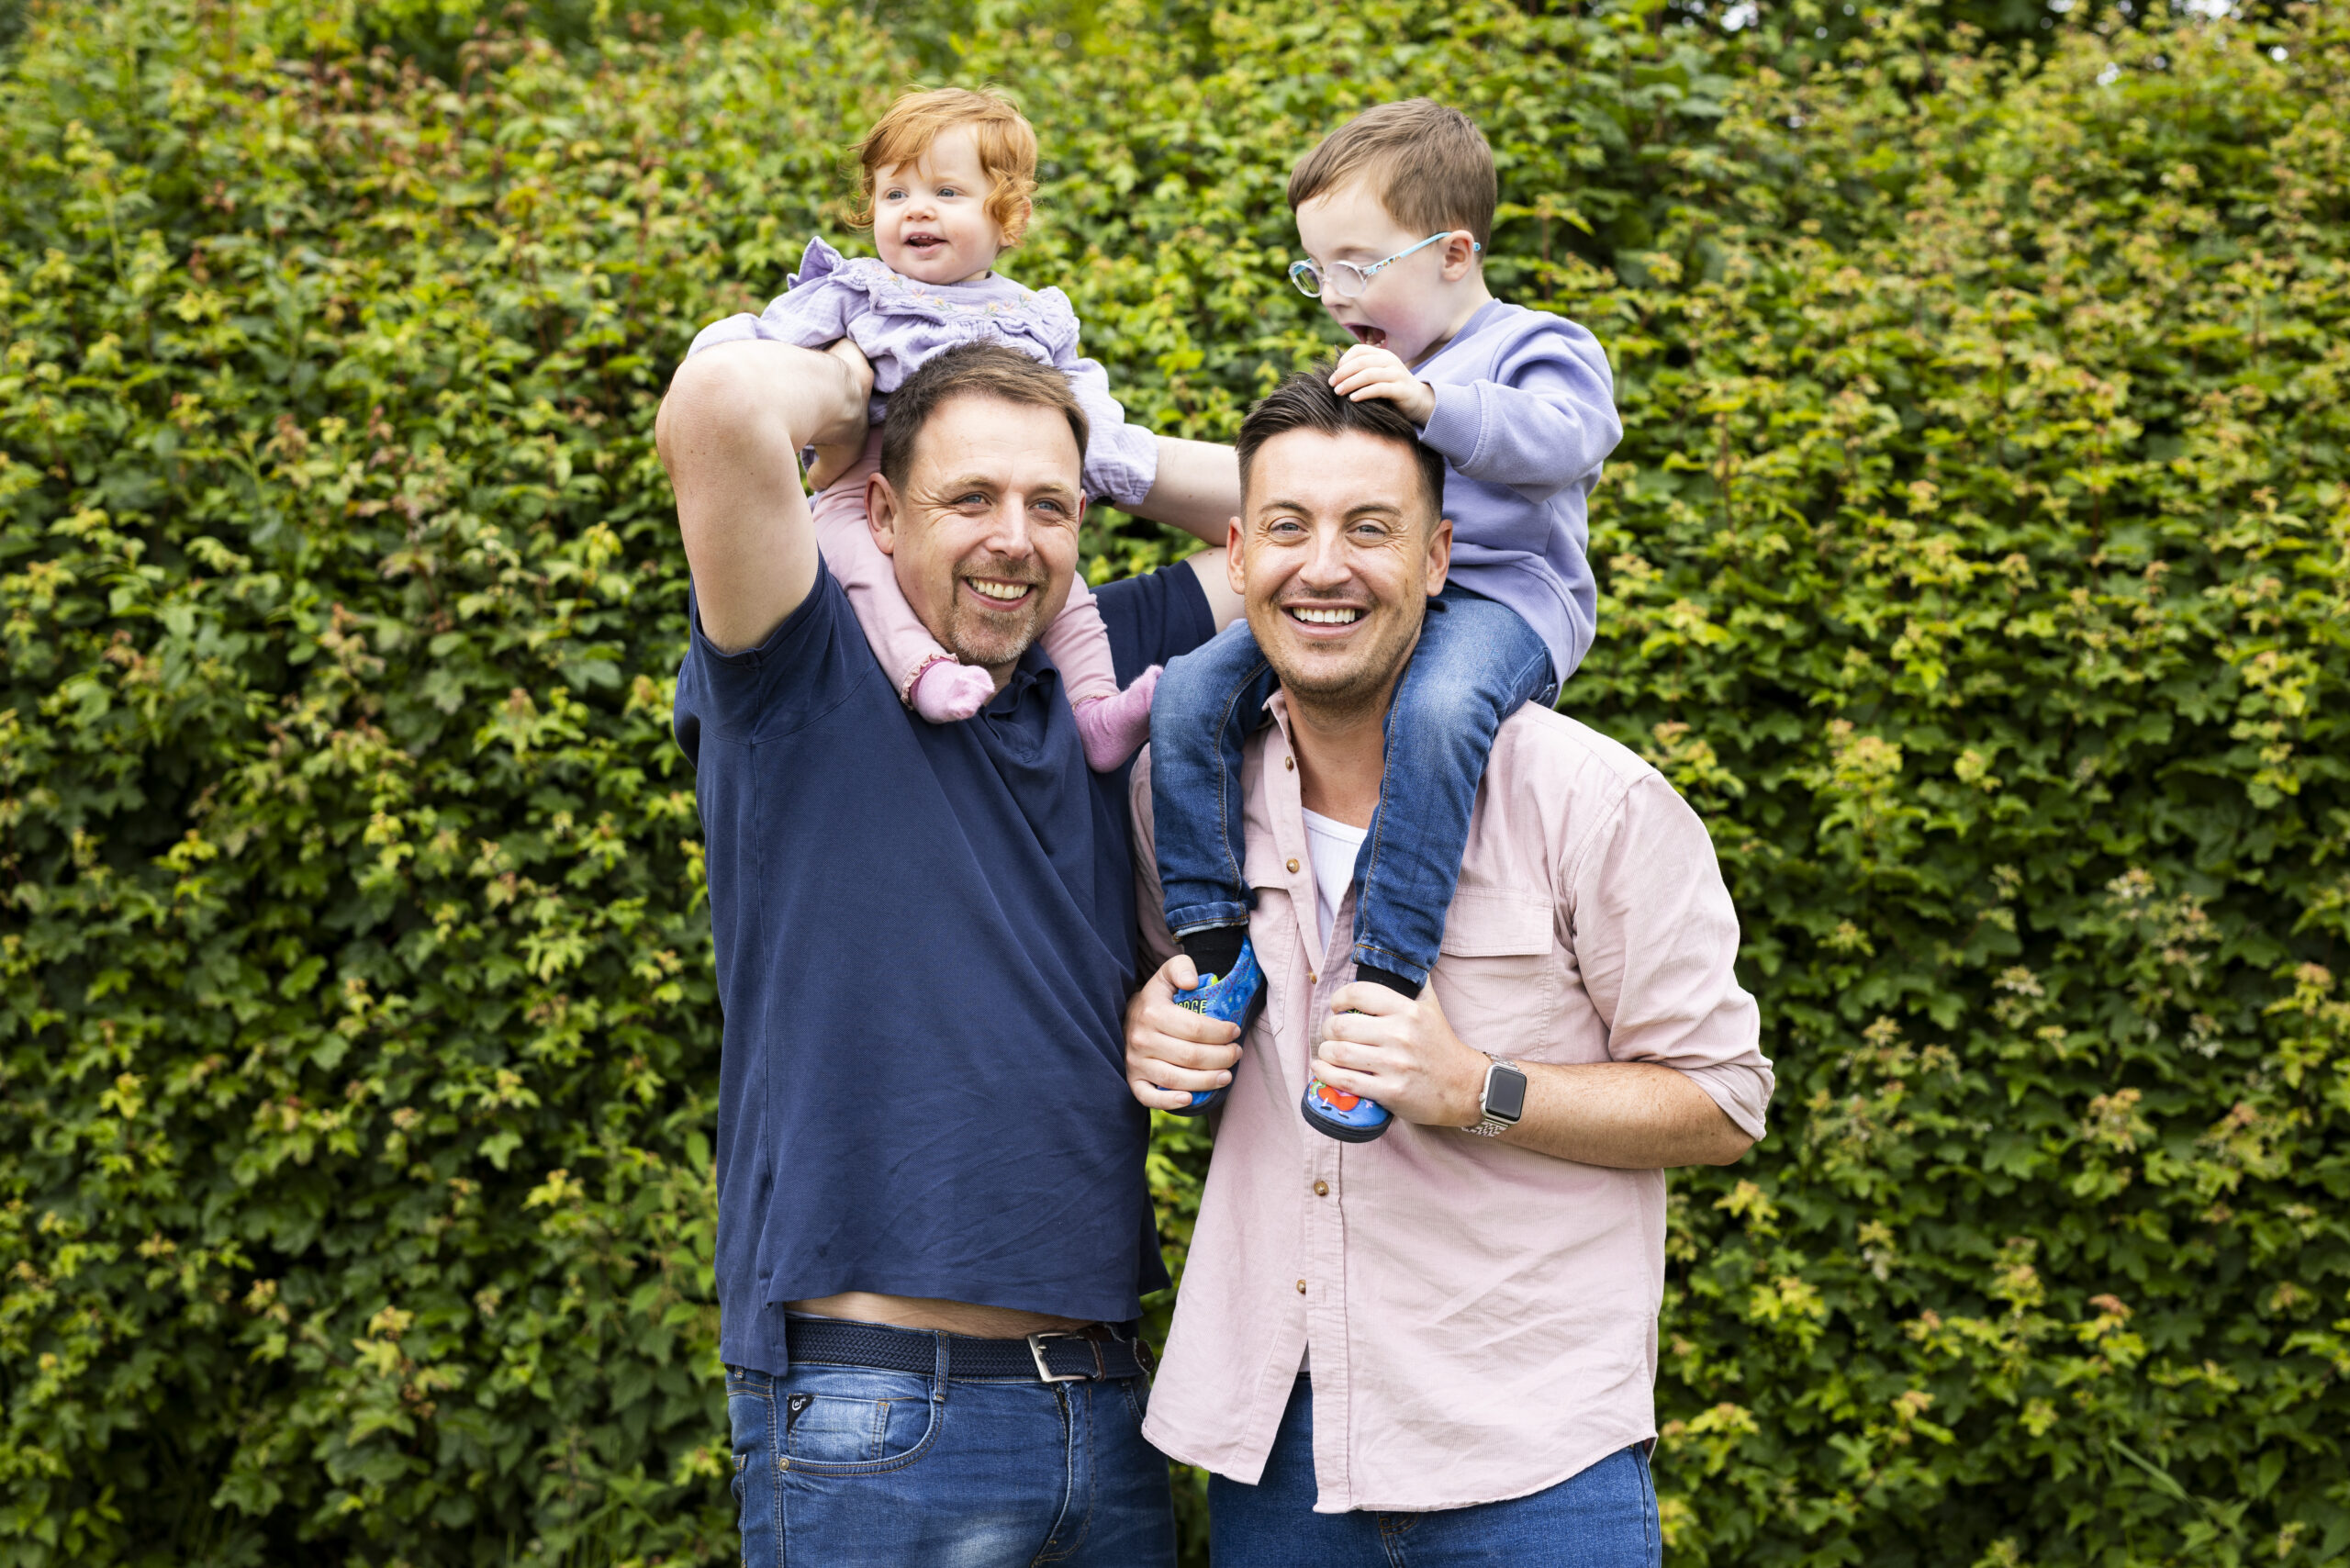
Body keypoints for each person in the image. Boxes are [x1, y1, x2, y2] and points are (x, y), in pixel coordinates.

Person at [1122, 370, 1774, 1566]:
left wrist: (1479, 1087)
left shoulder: (1591, 801)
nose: (1325, 567)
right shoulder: (1186, 805)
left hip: (1533, 1470)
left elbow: (1723, 1101)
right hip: (1276, 1458)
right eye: (1288, 527)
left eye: (1370, 529)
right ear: (1235, 551)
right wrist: (1151, 1027)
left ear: (1437, 558)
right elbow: (1172, 1000)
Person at [655, 335, 1240, 1566]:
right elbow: (714, 405)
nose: (1014, 539)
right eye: (968, 496)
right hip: (881, 1417)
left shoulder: (1095, 682)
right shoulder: (804, 671)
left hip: (1106, 1405)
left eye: (1050, 505)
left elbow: (1319, 512)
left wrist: (1119, 454)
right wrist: (871, 379)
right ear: (877, 508)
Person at [1146, 98, 1624, 1142]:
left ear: (1455, 252)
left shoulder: (1534, 347)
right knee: (1187, 691)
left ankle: (1386, 982)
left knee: (1439, 712)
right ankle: (1221, 957)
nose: (1334, 296)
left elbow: (1571, 440)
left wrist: (1430, 406)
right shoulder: (1373, 373)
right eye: (1316, 271)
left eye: (1357, 266)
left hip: (1505, 600)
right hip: (1392, 593)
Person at [690, 85, 1236, 771]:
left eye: (947, 192)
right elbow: (759, 356)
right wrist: (749, 367)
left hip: (971, 504)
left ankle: (1096, 712)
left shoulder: (1034, 318)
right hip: (861, 488)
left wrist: (1104, 473)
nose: (916, 208)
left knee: (1070, 599)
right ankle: (921, 672)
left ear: (1009, 217)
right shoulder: (858, 293)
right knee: (853, 560)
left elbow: (1090, 417)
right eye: (895, 195)